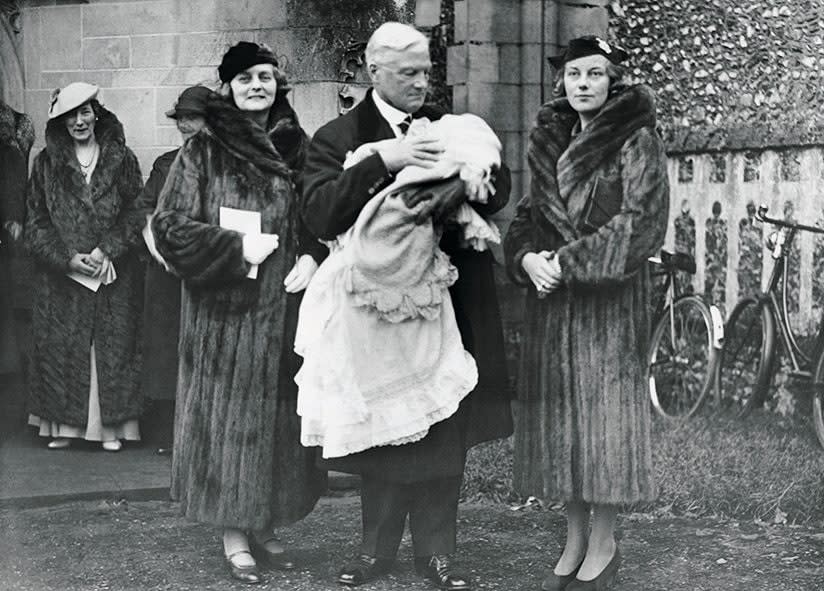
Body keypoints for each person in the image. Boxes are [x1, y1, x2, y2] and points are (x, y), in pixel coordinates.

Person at [302, 22, 513, 591]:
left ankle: (438, 555)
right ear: (375, 72)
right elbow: (320, 214)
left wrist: (468, 178)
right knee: (385, 426)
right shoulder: (340, 136)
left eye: (427, 71)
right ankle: (376, 552)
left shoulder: (449, 125)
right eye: (409, 73)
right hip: (376, 311)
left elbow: (498, 187)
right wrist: (385, 160)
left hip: (450, 298)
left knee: (443, 425)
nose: (423, 82)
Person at [151, 41, 328, 585]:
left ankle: (265, 523)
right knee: (231, 424)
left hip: (284, 310)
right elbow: (169, 227)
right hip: (223, 317)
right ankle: (234, 531)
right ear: (226, 87)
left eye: (268, 76)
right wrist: (231, 249)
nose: (259, 85)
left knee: (276, 423)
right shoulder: (203, 150)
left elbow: (321, 215)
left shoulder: (298, 147)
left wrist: (313, 255)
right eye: (247, 77)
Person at [503, 36, 670, 591]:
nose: (582, 84)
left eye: (594, 74)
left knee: (602, 424)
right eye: (574, 74)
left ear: (613, 80)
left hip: (607, 305)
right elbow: (527, 216)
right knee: (562, 427)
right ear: (562, 82)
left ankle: (604, 538)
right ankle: (573, 535)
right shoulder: (549, 138)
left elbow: (641, 222)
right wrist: (526, 258)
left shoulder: (637, 138)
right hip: (553, 304)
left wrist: (567, 262)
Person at [25, 82, 146, 452]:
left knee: (109, 348)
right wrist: (66, 258)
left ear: (96, 113)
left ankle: (111, 430)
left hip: (111, 271)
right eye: (70, 115)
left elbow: (135, 211)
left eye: (85, 112)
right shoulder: (45, 163)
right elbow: (36, 222)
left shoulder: (121, 159)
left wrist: (107, 250)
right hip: (62, 275)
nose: (79, 121)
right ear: (61, 121)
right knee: (64, 348)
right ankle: (65, 428)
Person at [138, 85, 210, 453]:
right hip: (168, 276)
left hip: (211, 273)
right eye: (181, 118)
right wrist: (165, 255)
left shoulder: (228, 166)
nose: (186, 125)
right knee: (169, 351)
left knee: (208, 352)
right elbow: (146, 212)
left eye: (193, 118)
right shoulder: (165, 165)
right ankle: (172, 435)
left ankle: (207, 434)